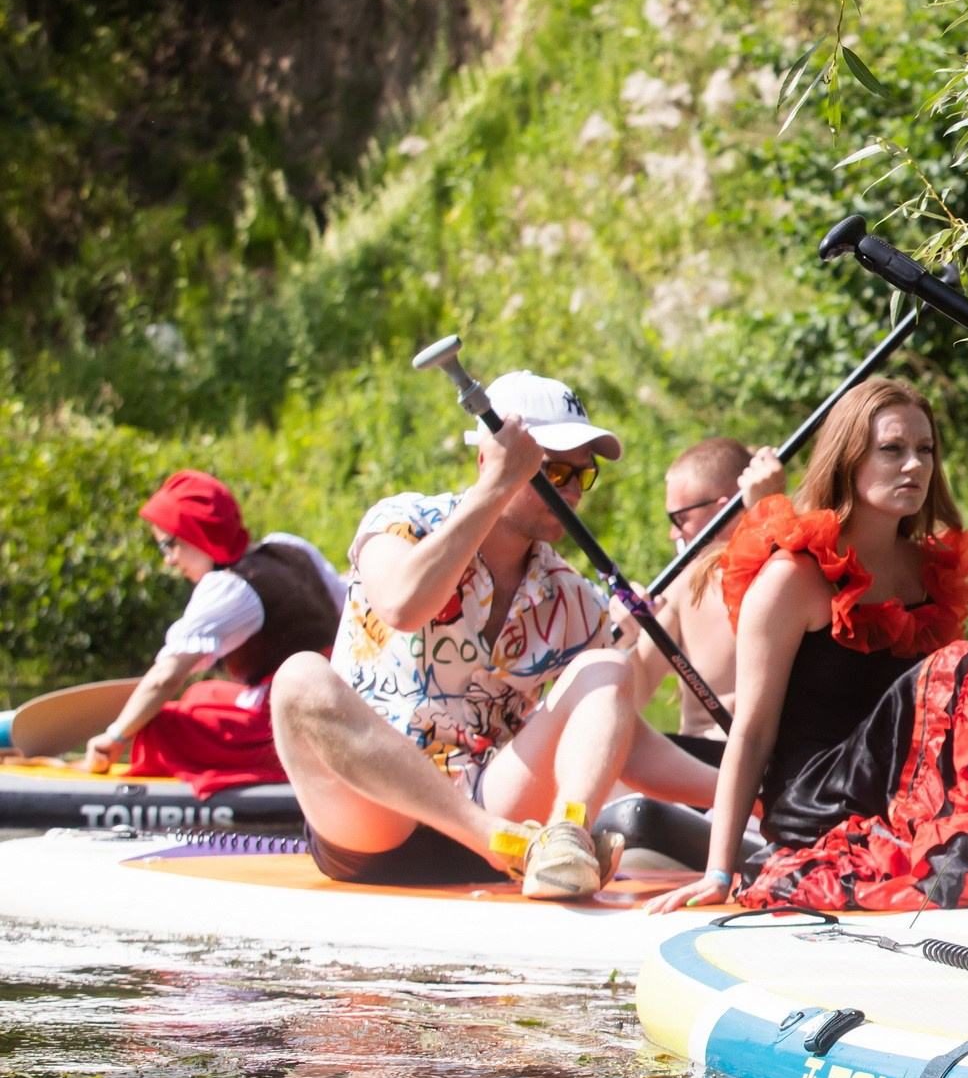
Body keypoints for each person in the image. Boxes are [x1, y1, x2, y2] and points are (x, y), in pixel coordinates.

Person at [268, 371, 718, 897]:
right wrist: (496, 488)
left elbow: (621, 739)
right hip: (376, 820)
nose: (572, 491)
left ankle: (566, 839)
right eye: (554, 471)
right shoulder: (402, 521)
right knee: (298, 678)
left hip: (497, 802)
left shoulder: (573, 599)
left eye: (583, 475)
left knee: (608, 668)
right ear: (490, 460)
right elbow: (402, 607)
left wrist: (751, 794)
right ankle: (511, 845)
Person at [642, 379, 968, 916]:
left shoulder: (929, 572)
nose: (914, 465)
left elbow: (939, 724)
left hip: (890, 793)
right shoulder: (791, 578)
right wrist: (718, 872)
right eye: (891, 449)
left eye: (925, 450)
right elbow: (751, 734)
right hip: (815, 801)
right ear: (849, 459)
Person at [83, 471, 345, 795]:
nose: (169, 560)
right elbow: (344, 605)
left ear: (194, 533)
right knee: (200, 694)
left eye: (169, 545)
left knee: (158, 728)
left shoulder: (228, 588)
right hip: (328, 697)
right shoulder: (289, 548)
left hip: (292, 722)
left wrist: (116, 737)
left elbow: (166, 677)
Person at [624, 435, 787, 755]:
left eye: (680, 519)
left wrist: (768, 511)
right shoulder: (684, 585)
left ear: (724, 509)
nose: (673, 533)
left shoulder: (789, 565)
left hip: (772, 762)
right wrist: (627, 639)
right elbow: (635, 697)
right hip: (696, 757)